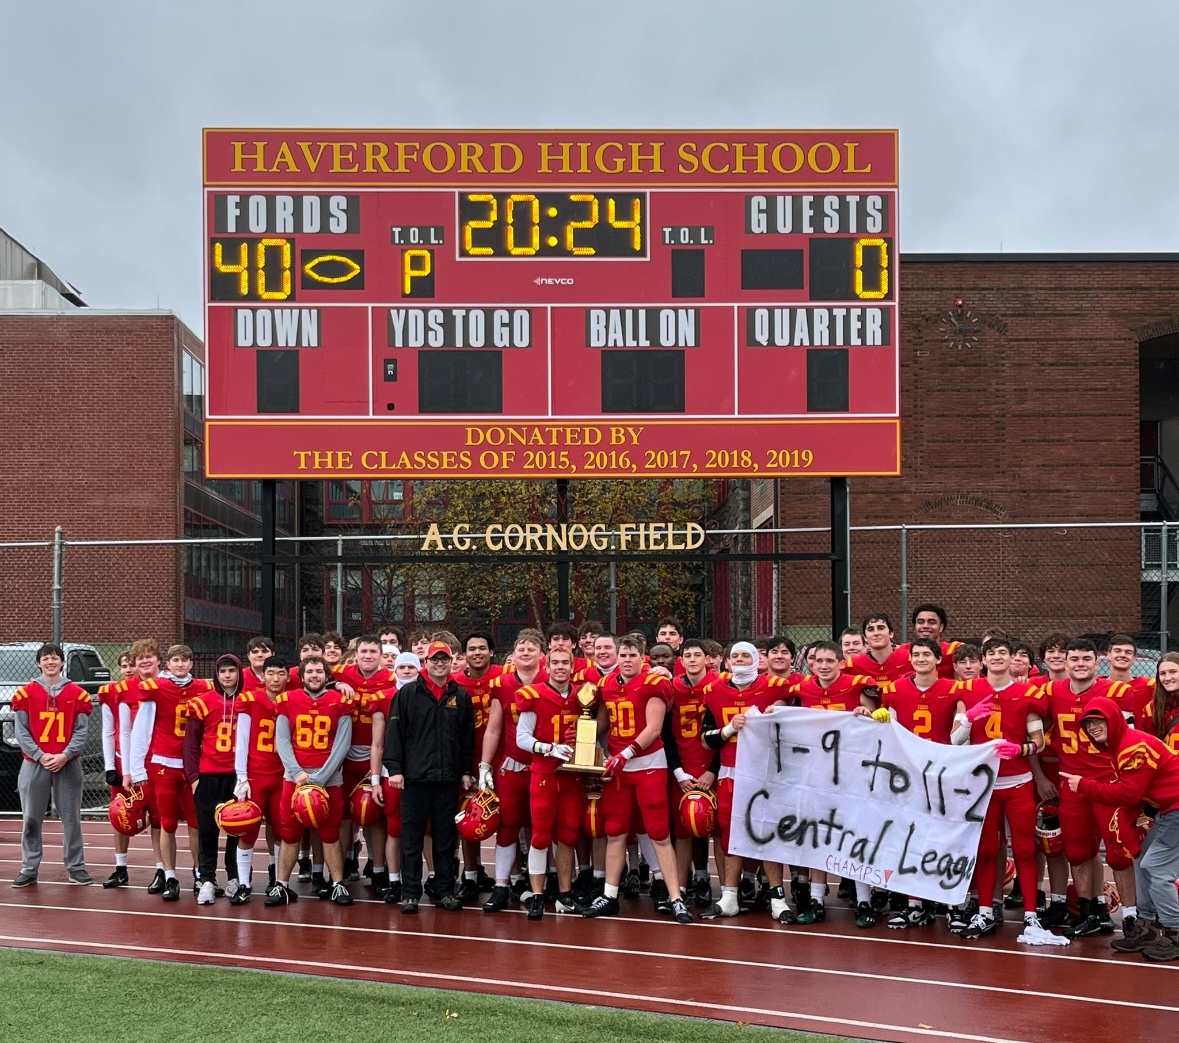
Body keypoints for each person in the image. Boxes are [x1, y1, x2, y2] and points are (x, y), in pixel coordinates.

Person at [581, 637, 693, 924]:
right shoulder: (607, 685)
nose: (627, 659)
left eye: (632, 654)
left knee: (658, 832)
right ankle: (609, 894)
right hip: (620, 768)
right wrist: (583, 734)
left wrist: (626, 753)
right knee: (615, 830)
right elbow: (605, 723)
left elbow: (654, 728)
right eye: (623, 654)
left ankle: (675, 897)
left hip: (647, 765)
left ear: (642, 657)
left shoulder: (653, 683)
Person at [1060, 698, 1179, 962]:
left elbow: (1129, 793)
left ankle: (1174, 929)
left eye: (1097, 720)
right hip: (1165, 808)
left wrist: (1085, 786)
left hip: (1175, 808)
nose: (1092, 727)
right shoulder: (1120, 745)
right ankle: (1147, 925)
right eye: (1088, 722)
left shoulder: (1132, 746)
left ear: (1112, 718)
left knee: (1156, 867)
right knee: (1139, 858)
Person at [951, 637, 1051, 942]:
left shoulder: (1027, 693)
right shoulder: (967, 692)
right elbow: (955, 740)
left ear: (1012, 659)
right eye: (991, 653)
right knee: (986, 849)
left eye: (1002, 652)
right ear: (982, 660)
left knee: (1023, 847)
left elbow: (1039, 742)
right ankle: (984, 911)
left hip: (1017, 781)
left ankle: (1031, 916)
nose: (996, 657)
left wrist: (1019, 749)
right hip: (983, 785)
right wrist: (969, 718)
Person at [1039, 638, 1132, 937]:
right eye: (1075, 659)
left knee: (1119, 852)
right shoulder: (1050, 691)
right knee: (1078, 851)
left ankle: (1130, 917)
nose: (1080, 664)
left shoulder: (1116, 691)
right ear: (1065, 663)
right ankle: (1090, 910)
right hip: (1071, 783)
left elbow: (1131, 738)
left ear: (1097, 662)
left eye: (1086, 659)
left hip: (1107, 782)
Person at [698, 641, 791, 922]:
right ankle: (729, 896)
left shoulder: (775, 687)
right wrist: (728, 729)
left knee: (766, 833)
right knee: (731, 835)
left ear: (756, 660)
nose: (739, 659)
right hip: (729, 771)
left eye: (745, 655)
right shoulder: (714, 691)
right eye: (734, 655)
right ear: (727, 663)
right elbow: (705, 740)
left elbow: (797, 706)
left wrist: (783, 708)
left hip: (764, 772)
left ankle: (777, 896)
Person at [790, 641, 881, 928]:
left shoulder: (858, 685)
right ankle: (817, 898)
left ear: (841, 663)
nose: (825, 665)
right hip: (816, 774)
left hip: (853, 773)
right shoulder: (801, 689)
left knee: (856, 835)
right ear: (812, 664)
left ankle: (863, 898)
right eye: (819, 661)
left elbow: (876, 713)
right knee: (818, 834)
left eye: (831, 660)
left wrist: (866, 714)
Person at [385, 641, 475, 913]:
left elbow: (467, 737)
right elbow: (394, 735)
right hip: (414, 779)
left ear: (451, 662)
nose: (439, 664)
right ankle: (410, 892)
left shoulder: (460, 695)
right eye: (434, 660)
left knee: (445, 839)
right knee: (411, 838)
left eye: (444, 659)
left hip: (447, 779)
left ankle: (445, 891)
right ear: (425, 663)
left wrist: (466, 771)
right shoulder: (408, 693)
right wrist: (395, 769)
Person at [266, 655, 355, 907]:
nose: (314, 675)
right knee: (290, 834)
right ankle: (281, 885)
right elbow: (282, 741)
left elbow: (342, 744)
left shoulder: (340, 702)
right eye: (310, 671)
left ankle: (338, 884)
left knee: (330, 833)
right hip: (295, 779)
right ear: (302, 676)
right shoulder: (287, 700)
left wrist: (321, 778)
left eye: (319, 671)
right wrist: (297, 774)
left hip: (329, 779)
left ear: (328, 676)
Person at [127, 643, 212, 901]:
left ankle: (199, 875)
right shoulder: (156, 687)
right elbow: (141, 729)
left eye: (185, 660)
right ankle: (171, 875)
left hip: (192, 766)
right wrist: (137, 767)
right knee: (168, 822)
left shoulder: (203, 688)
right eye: (176, 660)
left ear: (191, 663)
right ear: (168, 663)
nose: (180, 664)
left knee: (196, 822)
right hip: (163, 761)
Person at [10, 643, 93, 887]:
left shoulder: (77, 694)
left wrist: (65, 755)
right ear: (39, 663)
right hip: (34, 762)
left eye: (54, 658)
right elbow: (21, 731)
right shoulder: (26, 693)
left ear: (61, 662)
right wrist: (39, 755)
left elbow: (81, 731)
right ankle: (29, 867)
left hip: (68, 763)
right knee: (31, 818)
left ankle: (76, 866)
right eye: (46, 658)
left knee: (71, 817)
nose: (50, 662)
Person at [515, 646, 585, 919]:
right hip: (544, 773)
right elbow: (522, 737)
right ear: (546, 667)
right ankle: (537, 895)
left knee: (568, 835)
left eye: (564, 663)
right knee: (541, 835)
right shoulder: (534, 695)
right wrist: (548, 748)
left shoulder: (584, 696)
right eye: (554, 663)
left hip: (572, 774)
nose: (559, 667)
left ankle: (565, 895)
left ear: (572, 667)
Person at [482, 630, 546, 911]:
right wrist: (485, 764)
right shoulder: (502, 684)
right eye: (521, 647)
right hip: (513, 763)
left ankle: (540, 886)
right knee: (507, 826)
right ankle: (501, 885)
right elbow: (494, 727)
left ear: (542, 656)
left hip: (546, 766)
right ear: (513, 655)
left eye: (532, 647)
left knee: (542, 828)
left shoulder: (552, 680)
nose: (526, 651)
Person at [664, 637, 721, 908]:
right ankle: (681, 887)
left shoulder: (720, 686)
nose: (693, 659)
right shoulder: (671, 687)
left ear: (707, 659)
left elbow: (725, 734)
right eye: (688, 655)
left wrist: (713, 770)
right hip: (683, 767)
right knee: (684, 829)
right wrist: (678, 771)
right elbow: (666, 734)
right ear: (681, 660)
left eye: (697, 654)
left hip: (711, 766)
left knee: (718, 830)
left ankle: (725, 888)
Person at [184, 653, 243, 903]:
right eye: (223, 671)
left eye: (231, 671)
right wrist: (194, 777)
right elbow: (190, 744)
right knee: (208, 831)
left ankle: (234, 877)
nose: (227, 676)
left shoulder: (247, 701)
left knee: (236, 830)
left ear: (239, 673)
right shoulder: (202, 702)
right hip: (208, 775)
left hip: (237, 776)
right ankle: (207, 878)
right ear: (216, 675)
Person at [231, 655, 289, 904]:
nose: (276, 679)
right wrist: (241, 776)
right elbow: (241, 740)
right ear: (262, 675)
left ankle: (277, 878)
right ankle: (244, 883)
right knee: (248, 829)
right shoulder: (250, 699)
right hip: (255, 774)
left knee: (280, 828)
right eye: (271, 673)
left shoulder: (291, 699)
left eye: (281, 673)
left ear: (288, 676)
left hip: (282, 775)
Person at [370, 651, 422, 906]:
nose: (406, 671)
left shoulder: (429, 694)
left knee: (428, 829)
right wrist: (375, 779)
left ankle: (431, 877)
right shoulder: (383, 698)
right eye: (401, 667)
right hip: (394, 773)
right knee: (395, 828)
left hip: (423, 772)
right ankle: (394, 880)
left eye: (411, 667)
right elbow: (378, 744)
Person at [99, 650, 135, 888]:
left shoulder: (153, 687)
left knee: (156, 818)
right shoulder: (110, 692)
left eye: (133, 664)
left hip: (149, 761)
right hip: (123, 760)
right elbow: (108, 730)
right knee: (119, 815)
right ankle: (120, 867)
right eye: (124, 665)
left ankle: (161, 870)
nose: (129, 669)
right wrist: (110, 766)